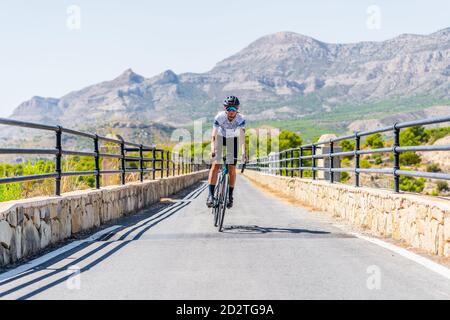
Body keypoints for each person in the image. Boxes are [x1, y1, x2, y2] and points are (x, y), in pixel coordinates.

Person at [206, 96, 247, 209]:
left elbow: (242, 138)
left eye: (234, 109)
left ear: (237, 109)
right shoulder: (220, 117)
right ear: (225, 109)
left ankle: (230, 196)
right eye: (229, 109)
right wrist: (212, 149)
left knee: (231, 168)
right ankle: (210, 195)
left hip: (231, 138)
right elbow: (213, 136)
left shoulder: (241, 118)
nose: (231, 111)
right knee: (215, 164)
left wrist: (243, 153)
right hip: (219, 136)